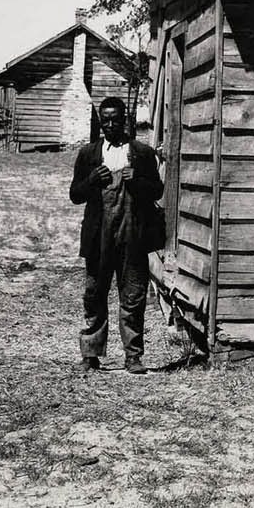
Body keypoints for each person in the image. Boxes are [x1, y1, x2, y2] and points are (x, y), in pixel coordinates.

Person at [68, 96, 164, 373]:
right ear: (100, 120)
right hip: (99, 237)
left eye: (116, 119)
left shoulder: (143, 153)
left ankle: (133, 357)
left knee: (133, 296)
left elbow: (157, 191)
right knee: (95, 295)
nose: (110, 124)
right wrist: (91, 181)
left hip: (132, 235)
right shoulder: (88, 154)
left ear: (125, 120)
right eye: (105, 119)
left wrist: (140, 181)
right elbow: (75, 195)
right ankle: (91, 355)